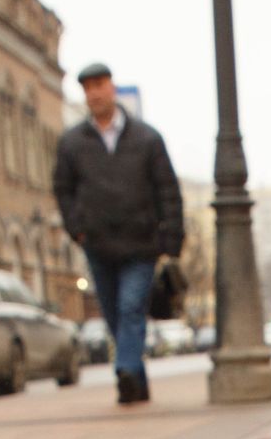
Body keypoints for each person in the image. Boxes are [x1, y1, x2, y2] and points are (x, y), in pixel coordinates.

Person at [52, 63, 184, 406]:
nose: (95, 93)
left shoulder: (146, 138)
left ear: (112, 87)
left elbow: (167, 189)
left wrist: (171, 239)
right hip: (98, 244)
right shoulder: (72, 143)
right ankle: (135, 381)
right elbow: (63, 190)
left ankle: (124, 369)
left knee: (130, 308)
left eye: (100, 85)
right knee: (112, 314)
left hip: (141, 243)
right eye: (88, 88)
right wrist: (76, 228)